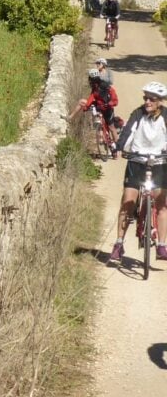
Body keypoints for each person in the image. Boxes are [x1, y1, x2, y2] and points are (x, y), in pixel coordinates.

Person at [109, 81, 167, 263]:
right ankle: (118, 243)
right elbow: (128, 131)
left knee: (162, 204)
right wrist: (119, 147)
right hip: (137, 161)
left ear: (160, 101)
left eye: (152, 99)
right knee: (128, 201)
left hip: (159, 162)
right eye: (145, 98)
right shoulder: (138, 114)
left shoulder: (166, 116)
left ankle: (162, 245)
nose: (147, 101)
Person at [68, 69, 120, 154]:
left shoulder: (106, 86)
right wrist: (86, 106)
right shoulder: (94, 87)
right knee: (81, 102)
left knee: (111, 128)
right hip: (99, 107)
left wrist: (109, 104)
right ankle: (70, 117)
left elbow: (115, 99)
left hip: (107, 108)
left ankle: (117, 148)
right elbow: (91, 97)